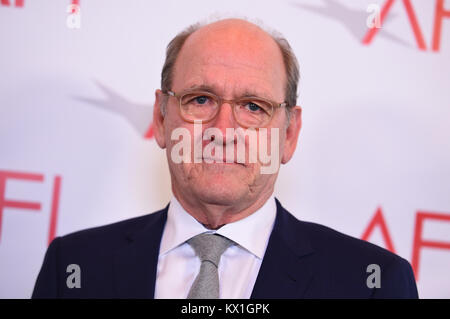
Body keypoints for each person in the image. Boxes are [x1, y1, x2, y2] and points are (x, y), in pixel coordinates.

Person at [32, 18, 418, 299]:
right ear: (161, 118)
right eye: (200, 99)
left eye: (253, 106)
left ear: (289, 134)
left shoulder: (374, 284)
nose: (223, 129)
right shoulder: (74, 265)